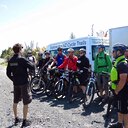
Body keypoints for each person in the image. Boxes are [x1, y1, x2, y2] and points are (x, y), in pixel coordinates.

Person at [6, 43, 35, 127]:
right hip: (24, 84)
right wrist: (31, 62)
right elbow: (32, 67)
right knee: (25, 102)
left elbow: (8, 73)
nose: (22, 50)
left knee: (15, 101)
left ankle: (16, 118)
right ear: (20, 50)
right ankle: (24, 121)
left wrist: (14, 79)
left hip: (16, 84)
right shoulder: (22, 59)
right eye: (22, 49)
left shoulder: (10, 60)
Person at [108, 44, 128, 128]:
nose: (112, 53)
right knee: (120, 108)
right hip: (119, 91)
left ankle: (126, 126)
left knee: (124, 111)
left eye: (113, 51)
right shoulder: (118, 62)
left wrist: (117, 90)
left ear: (119, 52)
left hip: (122, 91)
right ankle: (119, 124)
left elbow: (123, 80)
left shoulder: (122, 64)